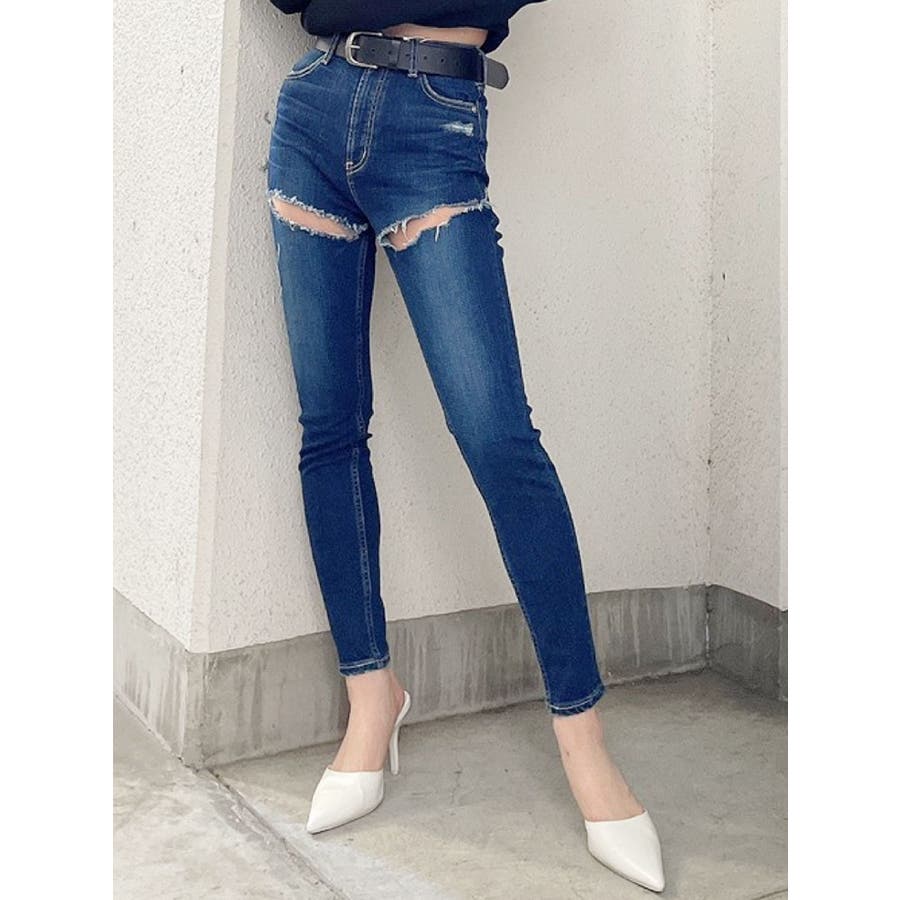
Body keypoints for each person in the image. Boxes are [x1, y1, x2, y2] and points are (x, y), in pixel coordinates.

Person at [265, 3, 666, 892]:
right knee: (329, 425)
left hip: (433, 117)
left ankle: (584, 740)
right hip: (315, 108)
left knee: (498, 439)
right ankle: (371, 699)